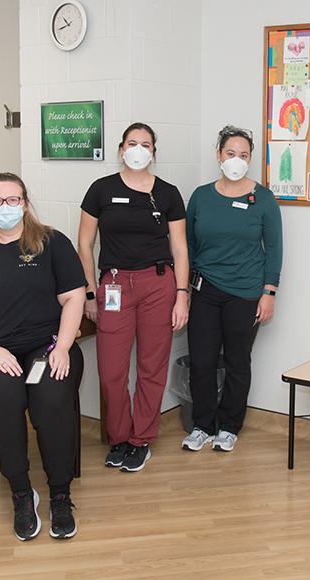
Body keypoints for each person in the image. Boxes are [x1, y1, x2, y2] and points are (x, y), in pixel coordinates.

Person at [0, 173, 86, 541]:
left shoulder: (52, 243)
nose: (5, 207)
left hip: (47, 346)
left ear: (25, 203)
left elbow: (74, 297)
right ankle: (22, 492)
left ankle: (59, 493)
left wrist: (61, 348)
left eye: (12, 200)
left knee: (51, 401)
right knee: (2, 400)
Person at [77, 123, 190, 472]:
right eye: (132, 143)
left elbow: (180, 247)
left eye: (145, 144)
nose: (138, 149)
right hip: (112, 286)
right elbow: (84, 244)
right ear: (121, 148)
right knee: (111, 370)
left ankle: (141, 439)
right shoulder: (101, 190)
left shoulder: (168, 193)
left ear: (154, 151)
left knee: (151, 366)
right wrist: (89, 293)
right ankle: (119, 437)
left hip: (158, 284)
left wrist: (182, 295)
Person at [181, 126, 283, 453]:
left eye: (243, 155)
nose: (236, 160)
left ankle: (229, 426)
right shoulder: (201, 196)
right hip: (205, 291)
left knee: (238, 361)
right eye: (230, 153)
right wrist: (185, 288)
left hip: (246, 292)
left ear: (250, 159)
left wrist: (269, 292)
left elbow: (275, 247)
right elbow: (188, 245)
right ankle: (202, 425)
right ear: (218, 156)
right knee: (202, 361)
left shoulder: (263, 199)